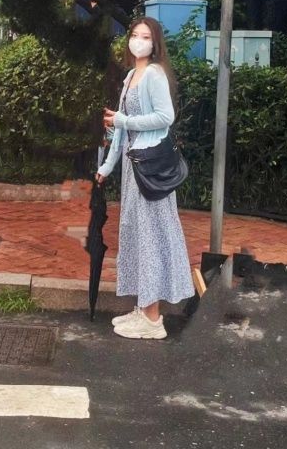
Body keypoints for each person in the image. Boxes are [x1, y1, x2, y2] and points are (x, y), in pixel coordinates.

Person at [96, 17, 195, 339]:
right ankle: (144, 308)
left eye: (146, 37)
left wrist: (123, 120)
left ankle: (153, 320)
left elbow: (166, 117)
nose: (139, 41)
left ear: (155, 44)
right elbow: (121, 129)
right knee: (138, 236)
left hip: (149, 168)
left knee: (152, 237)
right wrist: (107, 167)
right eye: (135, 35)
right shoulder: (130, 76)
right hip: (133, 168)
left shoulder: (153, 74)